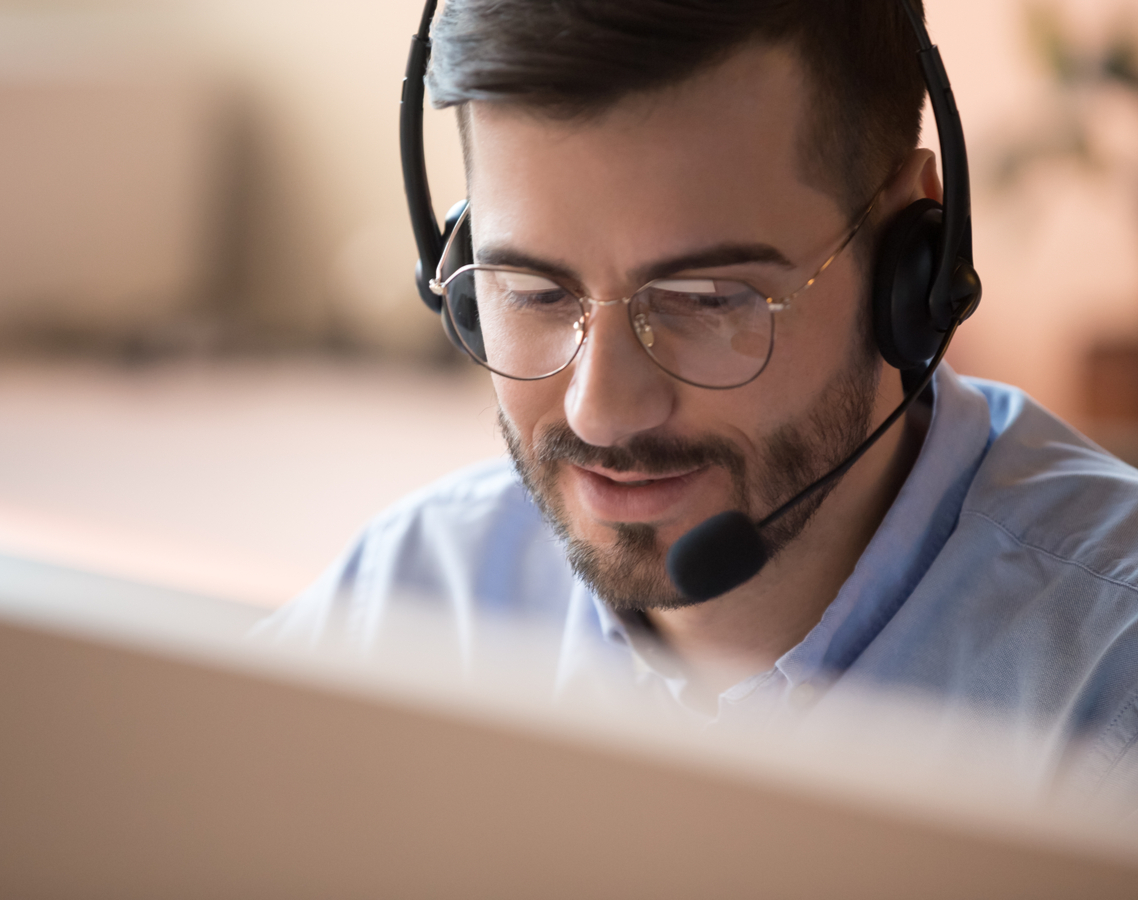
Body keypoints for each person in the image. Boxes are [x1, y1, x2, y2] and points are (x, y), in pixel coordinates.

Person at [260, 0, 1138, 798]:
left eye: (707, 299)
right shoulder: (412, 597)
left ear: (914, 266)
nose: (599, 412)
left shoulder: (1107, 682)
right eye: (530, 290)